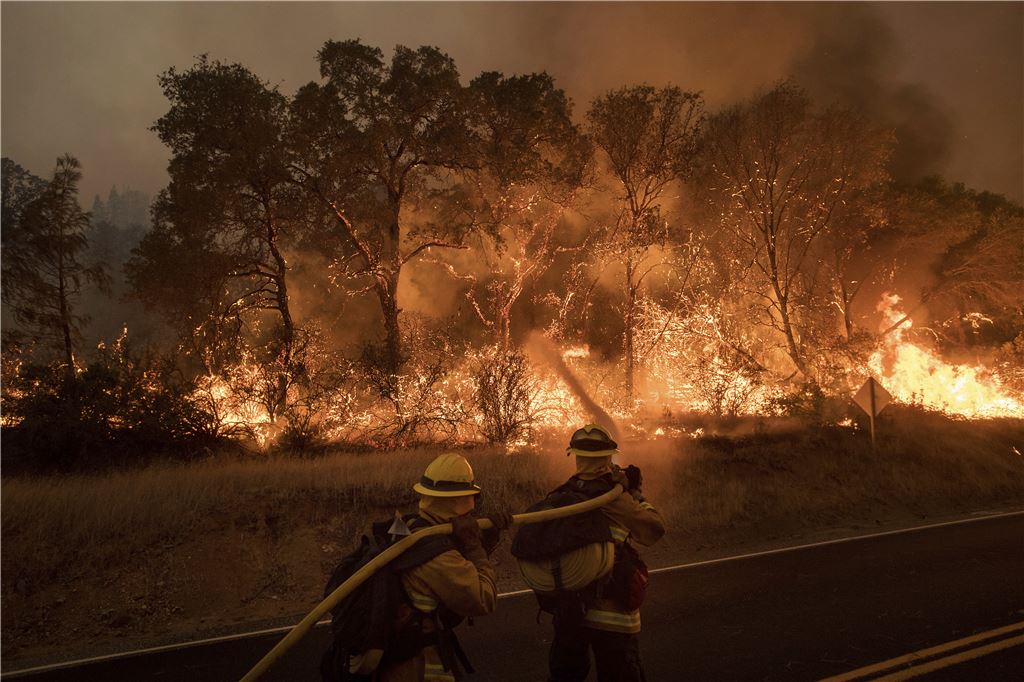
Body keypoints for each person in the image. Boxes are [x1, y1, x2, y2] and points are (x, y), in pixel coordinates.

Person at [378, 452, 512, 682]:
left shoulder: (409, 528)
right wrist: (474, 548)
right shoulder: (435, 554)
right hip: (419, 668)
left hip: (394, 662)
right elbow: (483, 598)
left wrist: (485, 542)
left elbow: (451, 578)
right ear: (459, 500)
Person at [548, 424, 665, 682]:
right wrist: (635, 493)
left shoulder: (560, 497)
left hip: (570, 612)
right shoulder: (614, 498)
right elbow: (654, 529)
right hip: (612, 615)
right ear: (608, 457)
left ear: (575, 455)